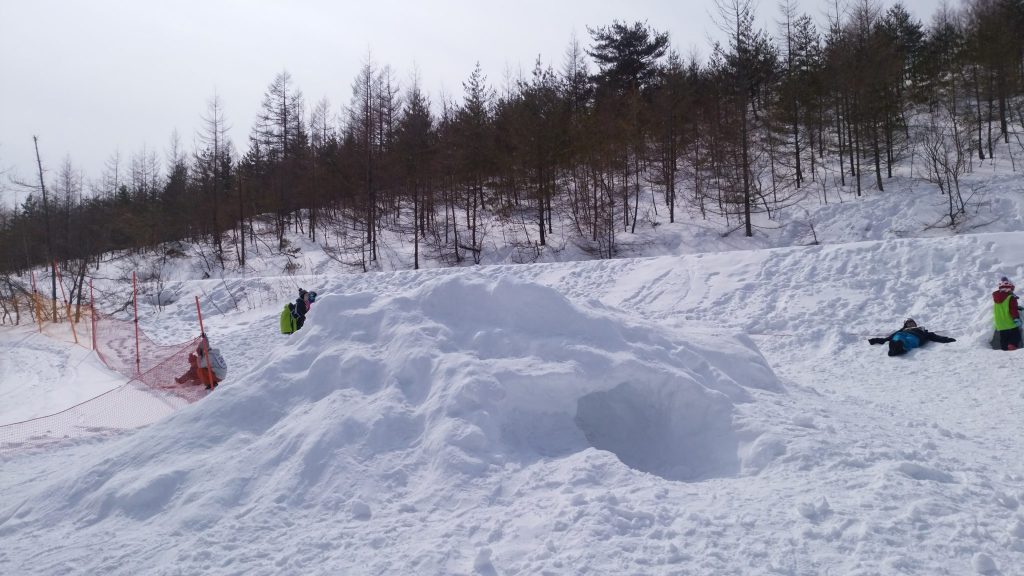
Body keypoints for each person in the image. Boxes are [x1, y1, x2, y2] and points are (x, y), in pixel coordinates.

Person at [868, 318, 956, 356]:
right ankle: (895, 347)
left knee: (908, 340)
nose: (911, 324)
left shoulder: (922, 330)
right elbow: (889, 337)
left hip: (916, 337)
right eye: (908, 323)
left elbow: (933, 336)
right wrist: (876, 340)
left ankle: (899, 348)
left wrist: (946, 339)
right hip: (902, 336)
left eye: (912, 322)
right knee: (898, 336)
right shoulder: (902, 330)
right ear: (905, 325)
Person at [992, 277, 1022, 351]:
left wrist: (1017, 307)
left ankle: (1004, 349)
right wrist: (1016, 318)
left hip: (1000, 323)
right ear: (1009, 288)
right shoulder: (1011, 298)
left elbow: (1004, 306)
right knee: (1016, 335)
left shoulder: (996, 298)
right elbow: (1013, 309)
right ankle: (1012, 345)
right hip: (1010, 321)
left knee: (1004, 337)